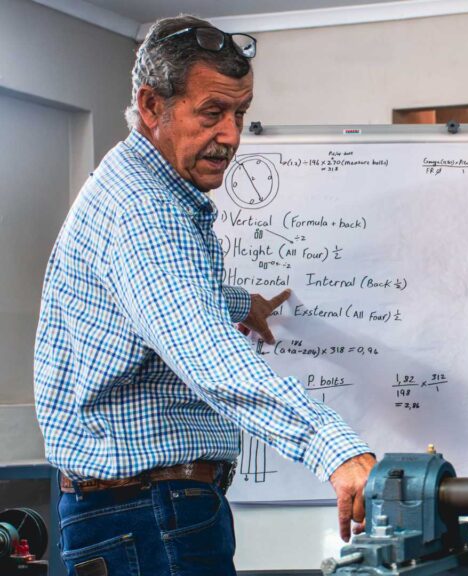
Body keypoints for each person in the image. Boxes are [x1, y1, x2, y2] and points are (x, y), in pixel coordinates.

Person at [33, 15, 374, 575]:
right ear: (152, 106)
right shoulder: (145, 211)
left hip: (136, 513)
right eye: (212, 113)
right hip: (146, 516)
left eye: (240, 113)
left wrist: (244, 305)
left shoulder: (139, 188)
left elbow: (166, 296)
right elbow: (208, 354)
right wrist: (336, 451)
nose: (233, 135)